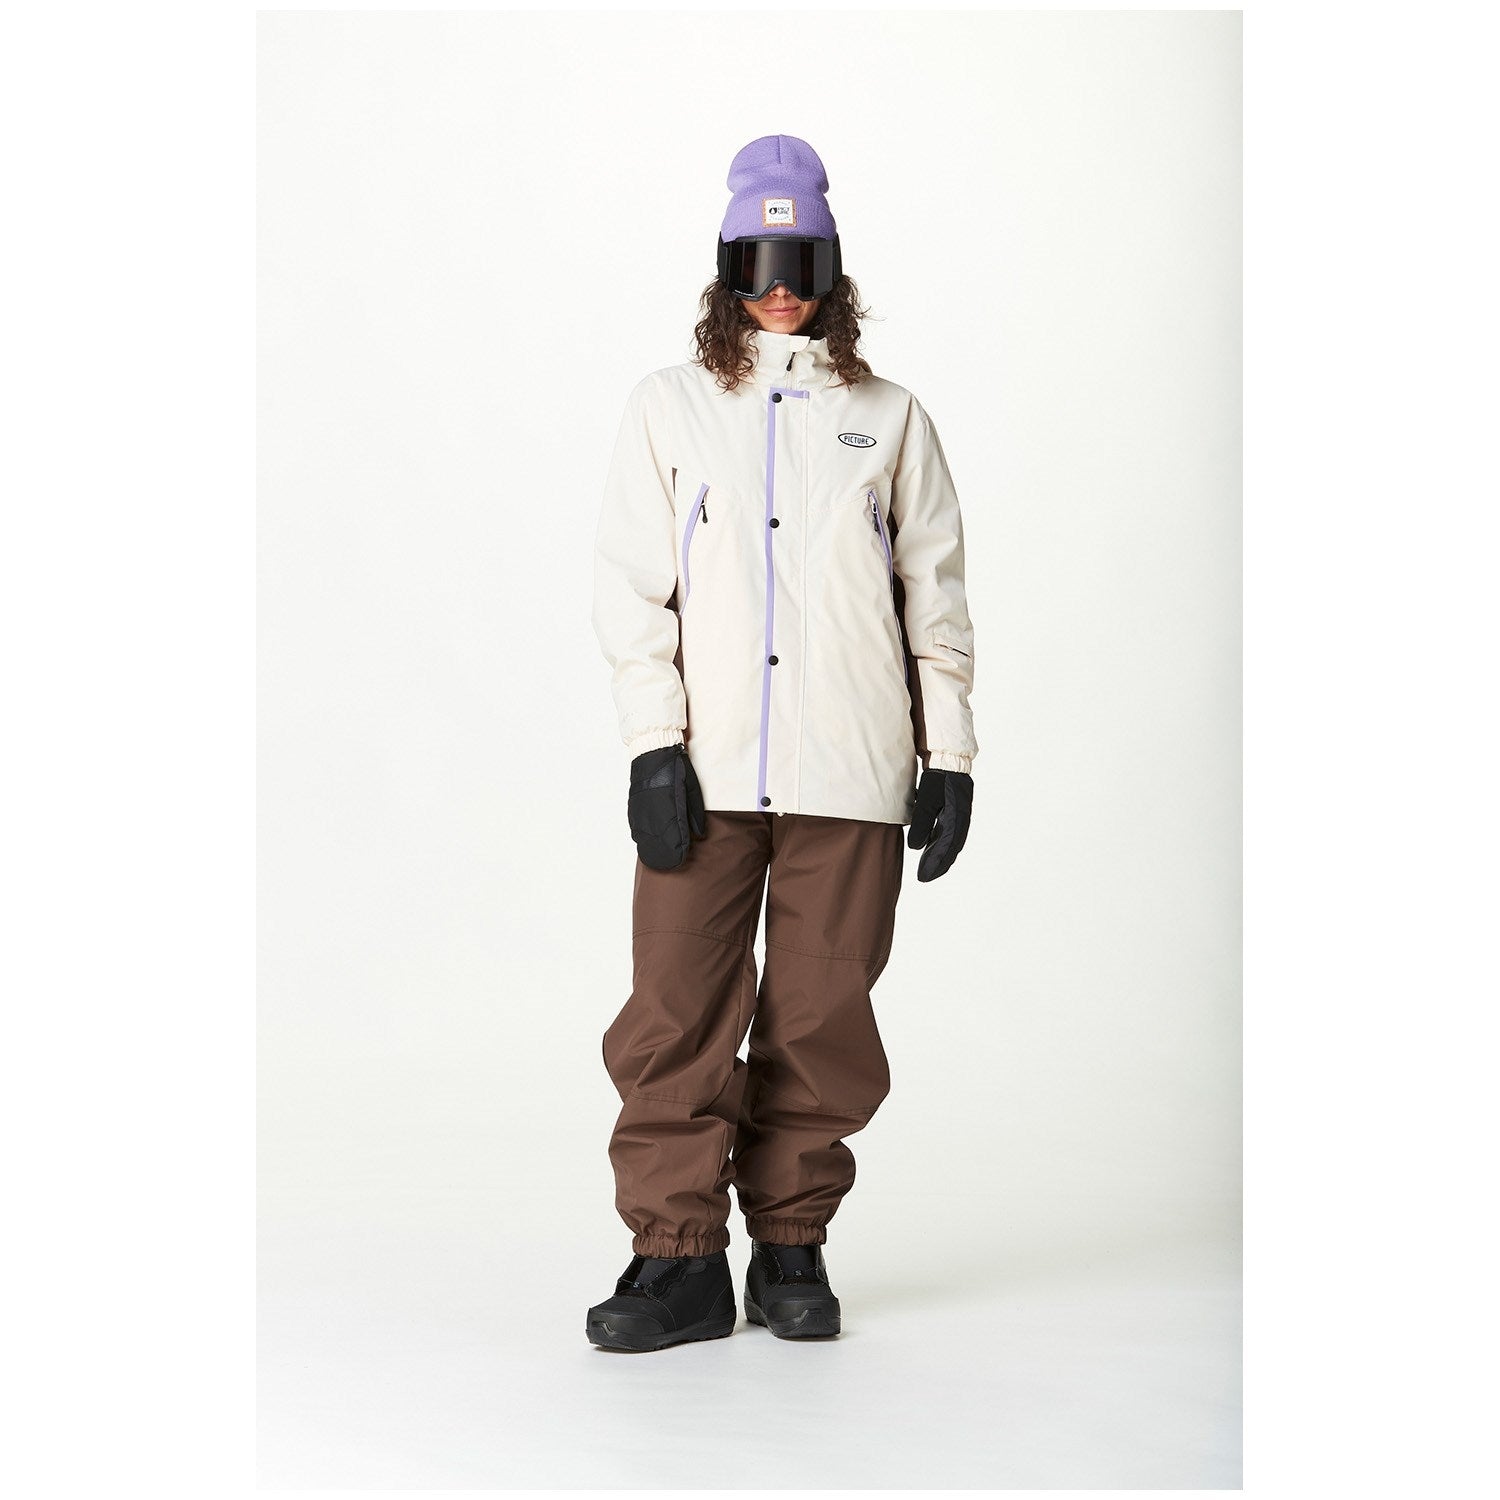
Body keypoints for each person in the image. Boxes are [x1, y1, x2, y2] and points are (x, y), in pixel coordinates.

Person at [586, 134, 978, 1352]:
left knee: (820, 1017)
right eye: (756, 266)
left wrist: (951, 757)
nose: (778, 290)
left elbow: (936, 600)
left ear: (831, 269)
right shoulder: (668, 406)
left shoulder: (890, 417)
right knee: (676, 1013)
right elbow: (632, 592)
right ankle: (677, 1261)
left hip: (851, 771)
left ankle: (792, 1247)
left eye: (799, 263)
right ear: (725, 272)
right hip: (705, 773)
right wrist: (653, 745)